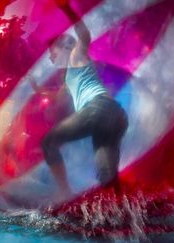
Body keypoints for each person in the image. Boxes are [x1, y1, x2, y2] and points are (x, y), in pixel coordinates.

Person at [41, 1, 128, 195]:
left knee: (48, 143)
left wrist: (66, 9)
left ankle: (64, 193)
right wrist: (38, 91)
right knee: (107, 178)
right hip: (114, 116)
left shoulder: (75, 56)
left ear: (62, 47)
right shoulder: (70, 75)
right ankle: (125, 213)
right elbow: (58, 96)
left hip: (98, 109)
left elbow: (84, 36)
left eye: (51, 52)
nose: (49, 57)